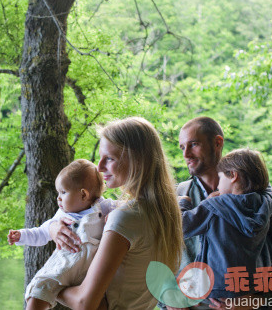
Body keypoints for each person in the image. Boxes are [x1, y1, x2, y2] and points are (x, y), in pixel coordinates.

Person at [51, 117, 183, 309]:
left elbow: (84, 302)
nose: (99, 167)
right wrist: (54, 226)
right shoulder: (164, 215)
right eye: (101, 157)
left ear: (137, 161)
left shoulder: (127, 217)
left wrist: (46, 285)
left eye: (110, 159)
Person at [174, 117, 272, 309]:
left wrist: (258, 299)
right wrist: (167, 298)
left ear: (217, 143)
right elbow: (152, 254)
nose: (186, 154)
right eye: (182, 147)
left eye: (193, 144)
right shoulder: (176, 197)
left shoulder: (259, 199)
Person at [8, 159, 116, 309]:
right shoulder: (61, 217)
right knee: (38, 289)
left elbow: (128, 209)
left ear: (84, 195)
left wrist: (116, 214)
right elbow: (41, 232)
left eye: (63, 192)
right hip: (64, 265)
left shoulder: (105, 208)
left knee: (101, 303)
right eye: (58, 192)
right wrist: (21, 235)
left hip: (93, 271)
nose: (58, 198)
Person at [180, 148, 272, 299]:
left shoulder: (215, 206)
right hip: (253, 287)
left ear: (233, 176)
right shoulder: (265, 203)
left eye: (220, 177)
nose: (218, 185)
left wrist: (183, 203)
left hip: (219, 287)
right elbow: (268, 190)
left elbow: (182, 227)